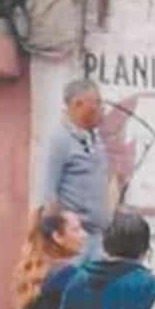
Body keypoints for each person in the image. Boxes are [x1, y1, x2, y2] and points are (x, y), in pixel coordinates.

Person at [40, 79, 112, 260]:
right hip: (74, 242)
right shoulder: (60, 140)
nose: (100, 108)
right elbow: (48, 192)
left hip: (98, 237)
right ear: (77, 105)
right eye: (94, 104)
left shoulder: (94, 137)